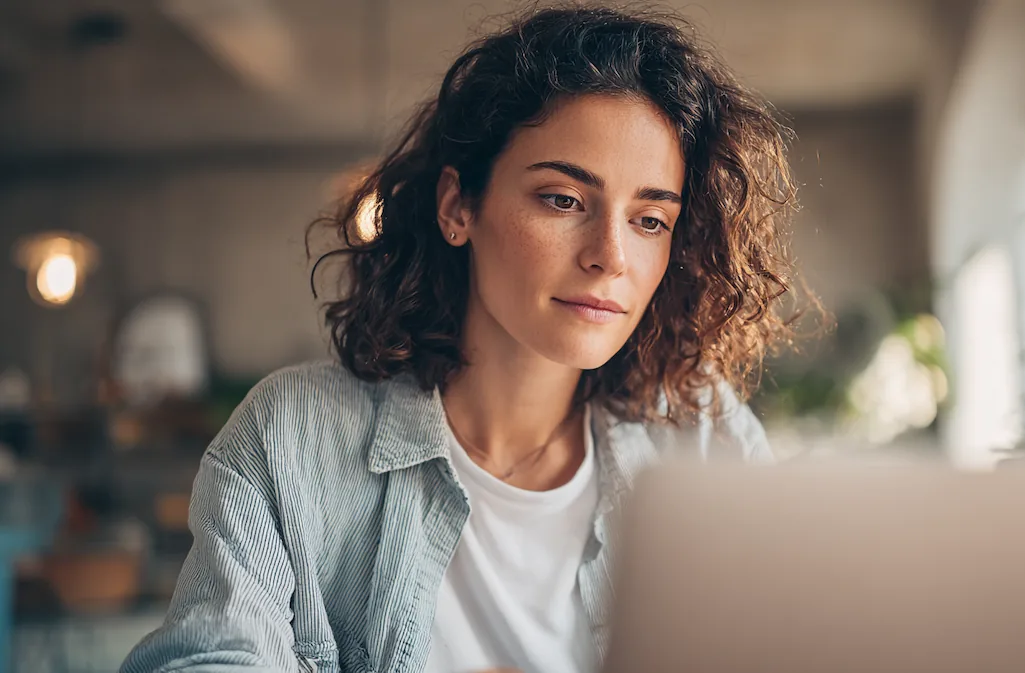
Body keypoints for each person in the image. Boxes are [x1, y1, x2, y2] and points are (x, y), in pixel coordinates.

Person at [121, 5, 814, 673]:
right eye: (563, 200)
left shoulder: (702, 433)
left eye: (650, 220)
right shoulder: (293, 437)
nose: (611, 256)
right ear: (458, 206)